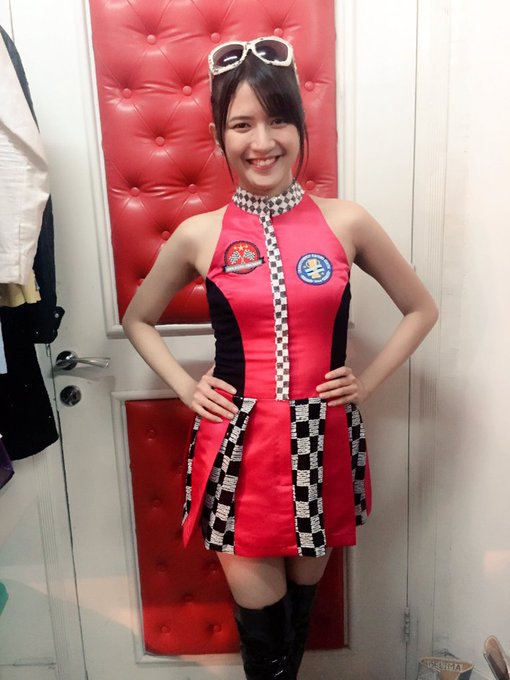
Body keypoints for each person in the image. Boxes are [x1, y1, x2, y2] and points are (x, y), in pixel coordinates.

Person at [122, 36, 438, 679]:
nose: (261, 141)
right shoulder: (200, 233)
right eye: (242, 124)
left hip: (321, 438)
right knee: (261, 627)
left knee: (297, 619)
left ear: (299, 127)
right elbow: (138, 319)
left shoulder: (347, 222)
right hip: (237, 443)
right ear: (219, 136)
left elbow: (421, 309)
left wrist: (366, 383)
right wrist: (185, 387)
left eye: (277, 120)